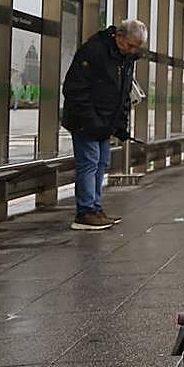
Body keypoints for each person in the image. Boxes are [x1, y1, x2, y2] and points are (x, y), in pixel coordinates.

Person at [62, 19, 147, 230]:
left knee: (101, 163)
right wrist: (92, 121)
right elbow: (75, 88)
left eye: (137, 47)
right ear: (119, 37)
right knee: (89, 163)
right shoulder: (94, 51)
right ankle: (85, 212)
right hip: (86, 121)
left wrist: (120, 126)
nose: (133, 50)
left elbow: (124, 94)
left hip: (105, 123)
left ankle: (95, 208)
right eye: (130, 45)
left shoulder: (125, 58)